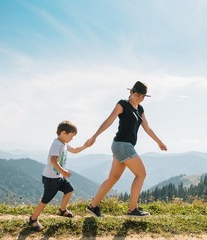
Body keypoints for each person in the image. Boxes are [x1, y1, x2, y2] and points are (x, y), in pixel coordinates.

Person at [86, 81, 167, 218]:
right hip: (123, 145)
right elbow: (109, 120)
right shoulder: (122, 104)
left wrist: (159, 142)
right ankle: (132, 209)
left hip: (120, 146)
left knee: (113, 178)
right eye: (138, 94)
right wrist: (94, 136)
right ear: (131, 92)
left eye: (143, 96)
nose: (140, 98)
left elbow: (147, 127)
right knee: (141, 174)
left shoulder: (140, 109)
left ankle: (92, 206)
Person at [28, 120, 90, 231]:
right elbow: (53, 160)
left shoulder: (64, 144)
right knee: (46, 200)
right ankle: (33, 219)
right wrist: (63, 172)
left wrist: (85, 146)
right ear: (63, 133)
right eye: (71, 136)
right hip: (51, 178)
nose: (72, 138)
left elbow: (75, 150)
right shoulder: (56, 144)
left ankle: (62, 210)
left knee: (69, 189)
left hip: (58, 177)